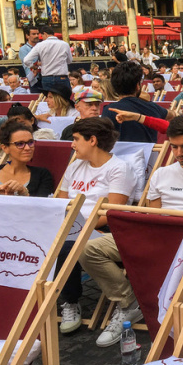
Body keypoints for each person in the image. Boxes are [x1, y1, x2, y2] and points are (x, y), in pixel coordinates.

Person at [62, 118, 138, 339]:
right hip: (71, 225)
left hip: (105, 227)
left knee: (68, 246)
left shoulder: (118, 169)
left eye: (76, 139)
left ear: (92, 140)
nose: (72, 145)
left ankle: (70, 301)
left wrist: (79, 227)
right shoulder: (75, 166)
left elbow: (113, 211)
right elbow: (61, 201)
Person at [0, 120, 54, 196]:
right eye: (20, 144)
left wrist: (25, 194)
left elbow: (43, 207)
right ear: (5, 148)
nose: (27, 148)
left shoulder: (42, 175)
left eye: (30, 142)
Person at [101, 61, 170, 143]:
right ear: (138, 86)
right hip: (150, 151)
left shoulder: (108, 110)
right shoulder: (152, 107)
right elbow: (172, 115)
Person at [22, 26, 73, 94]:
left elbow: (26, 60)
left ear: (45, 34)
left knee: (50, 98)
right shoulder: (65, 44)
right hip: (62, 76)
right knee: (65, 98)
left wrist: (33, 66)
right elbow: (69, 61)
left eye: (41, 36)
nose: (41, 38)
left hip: (47, 77)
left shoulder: (40, 45)